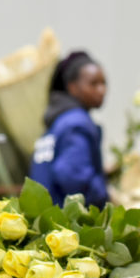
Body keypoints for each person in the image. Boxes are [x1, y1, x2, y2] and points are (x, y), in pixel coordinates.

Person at [29, 50, 109, 208]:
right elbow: (72, 173)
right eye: (93, 84)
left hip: (44, 220)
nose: (101, 90)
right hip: (63, 223)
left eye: (103, 83)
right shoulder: (77, 122)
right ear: (72, 88)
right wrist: (103, 196)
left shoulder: (58, 120)